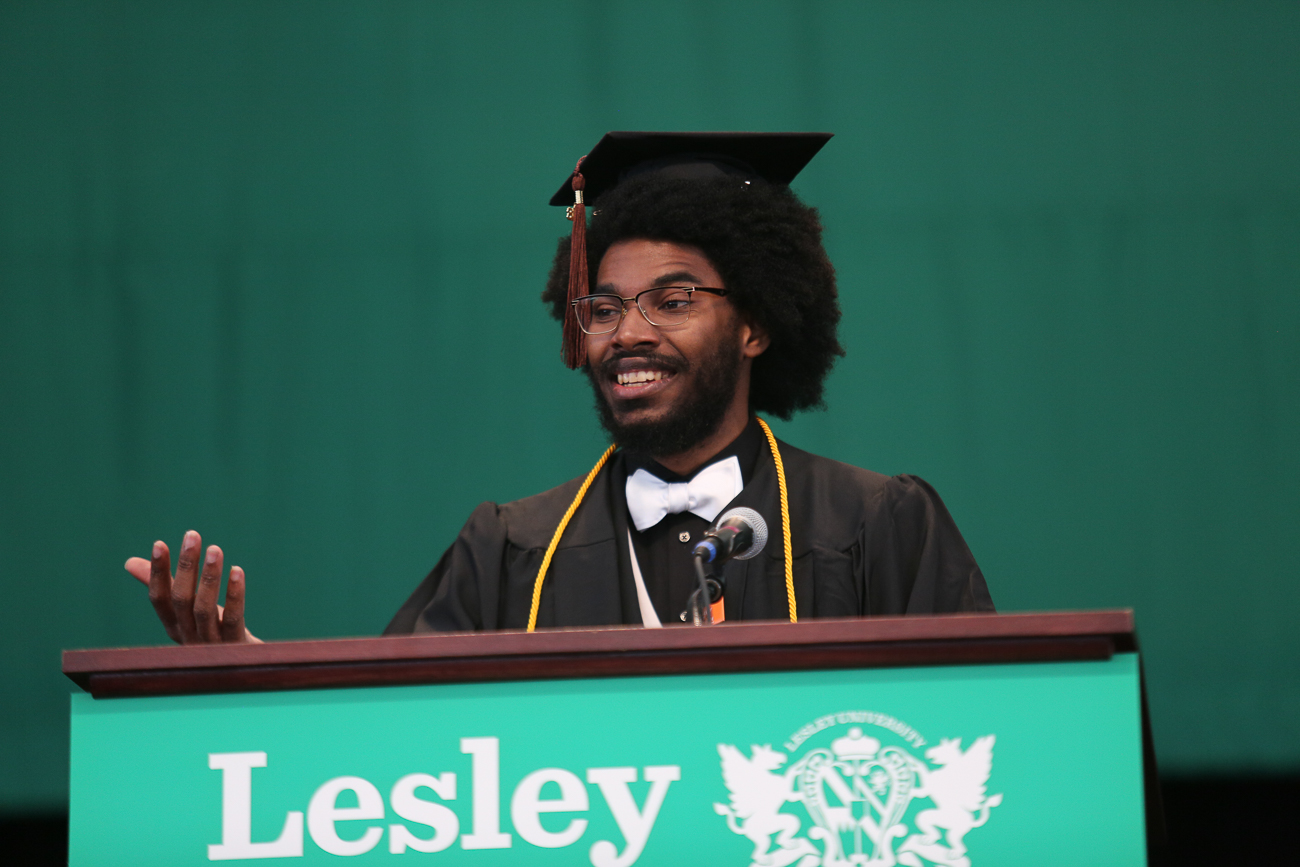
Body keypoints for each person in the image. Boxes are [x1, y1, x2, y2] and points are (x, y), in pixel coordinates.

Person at [126, 132, 994, 644]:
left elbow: (982, 738)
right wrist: (242, 663)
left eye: (675, 299)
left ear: (757, 323)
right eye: (604, 307)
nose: (630, 333)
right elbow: (386, 751)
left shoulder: (879, 526)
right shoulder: (508, 552)